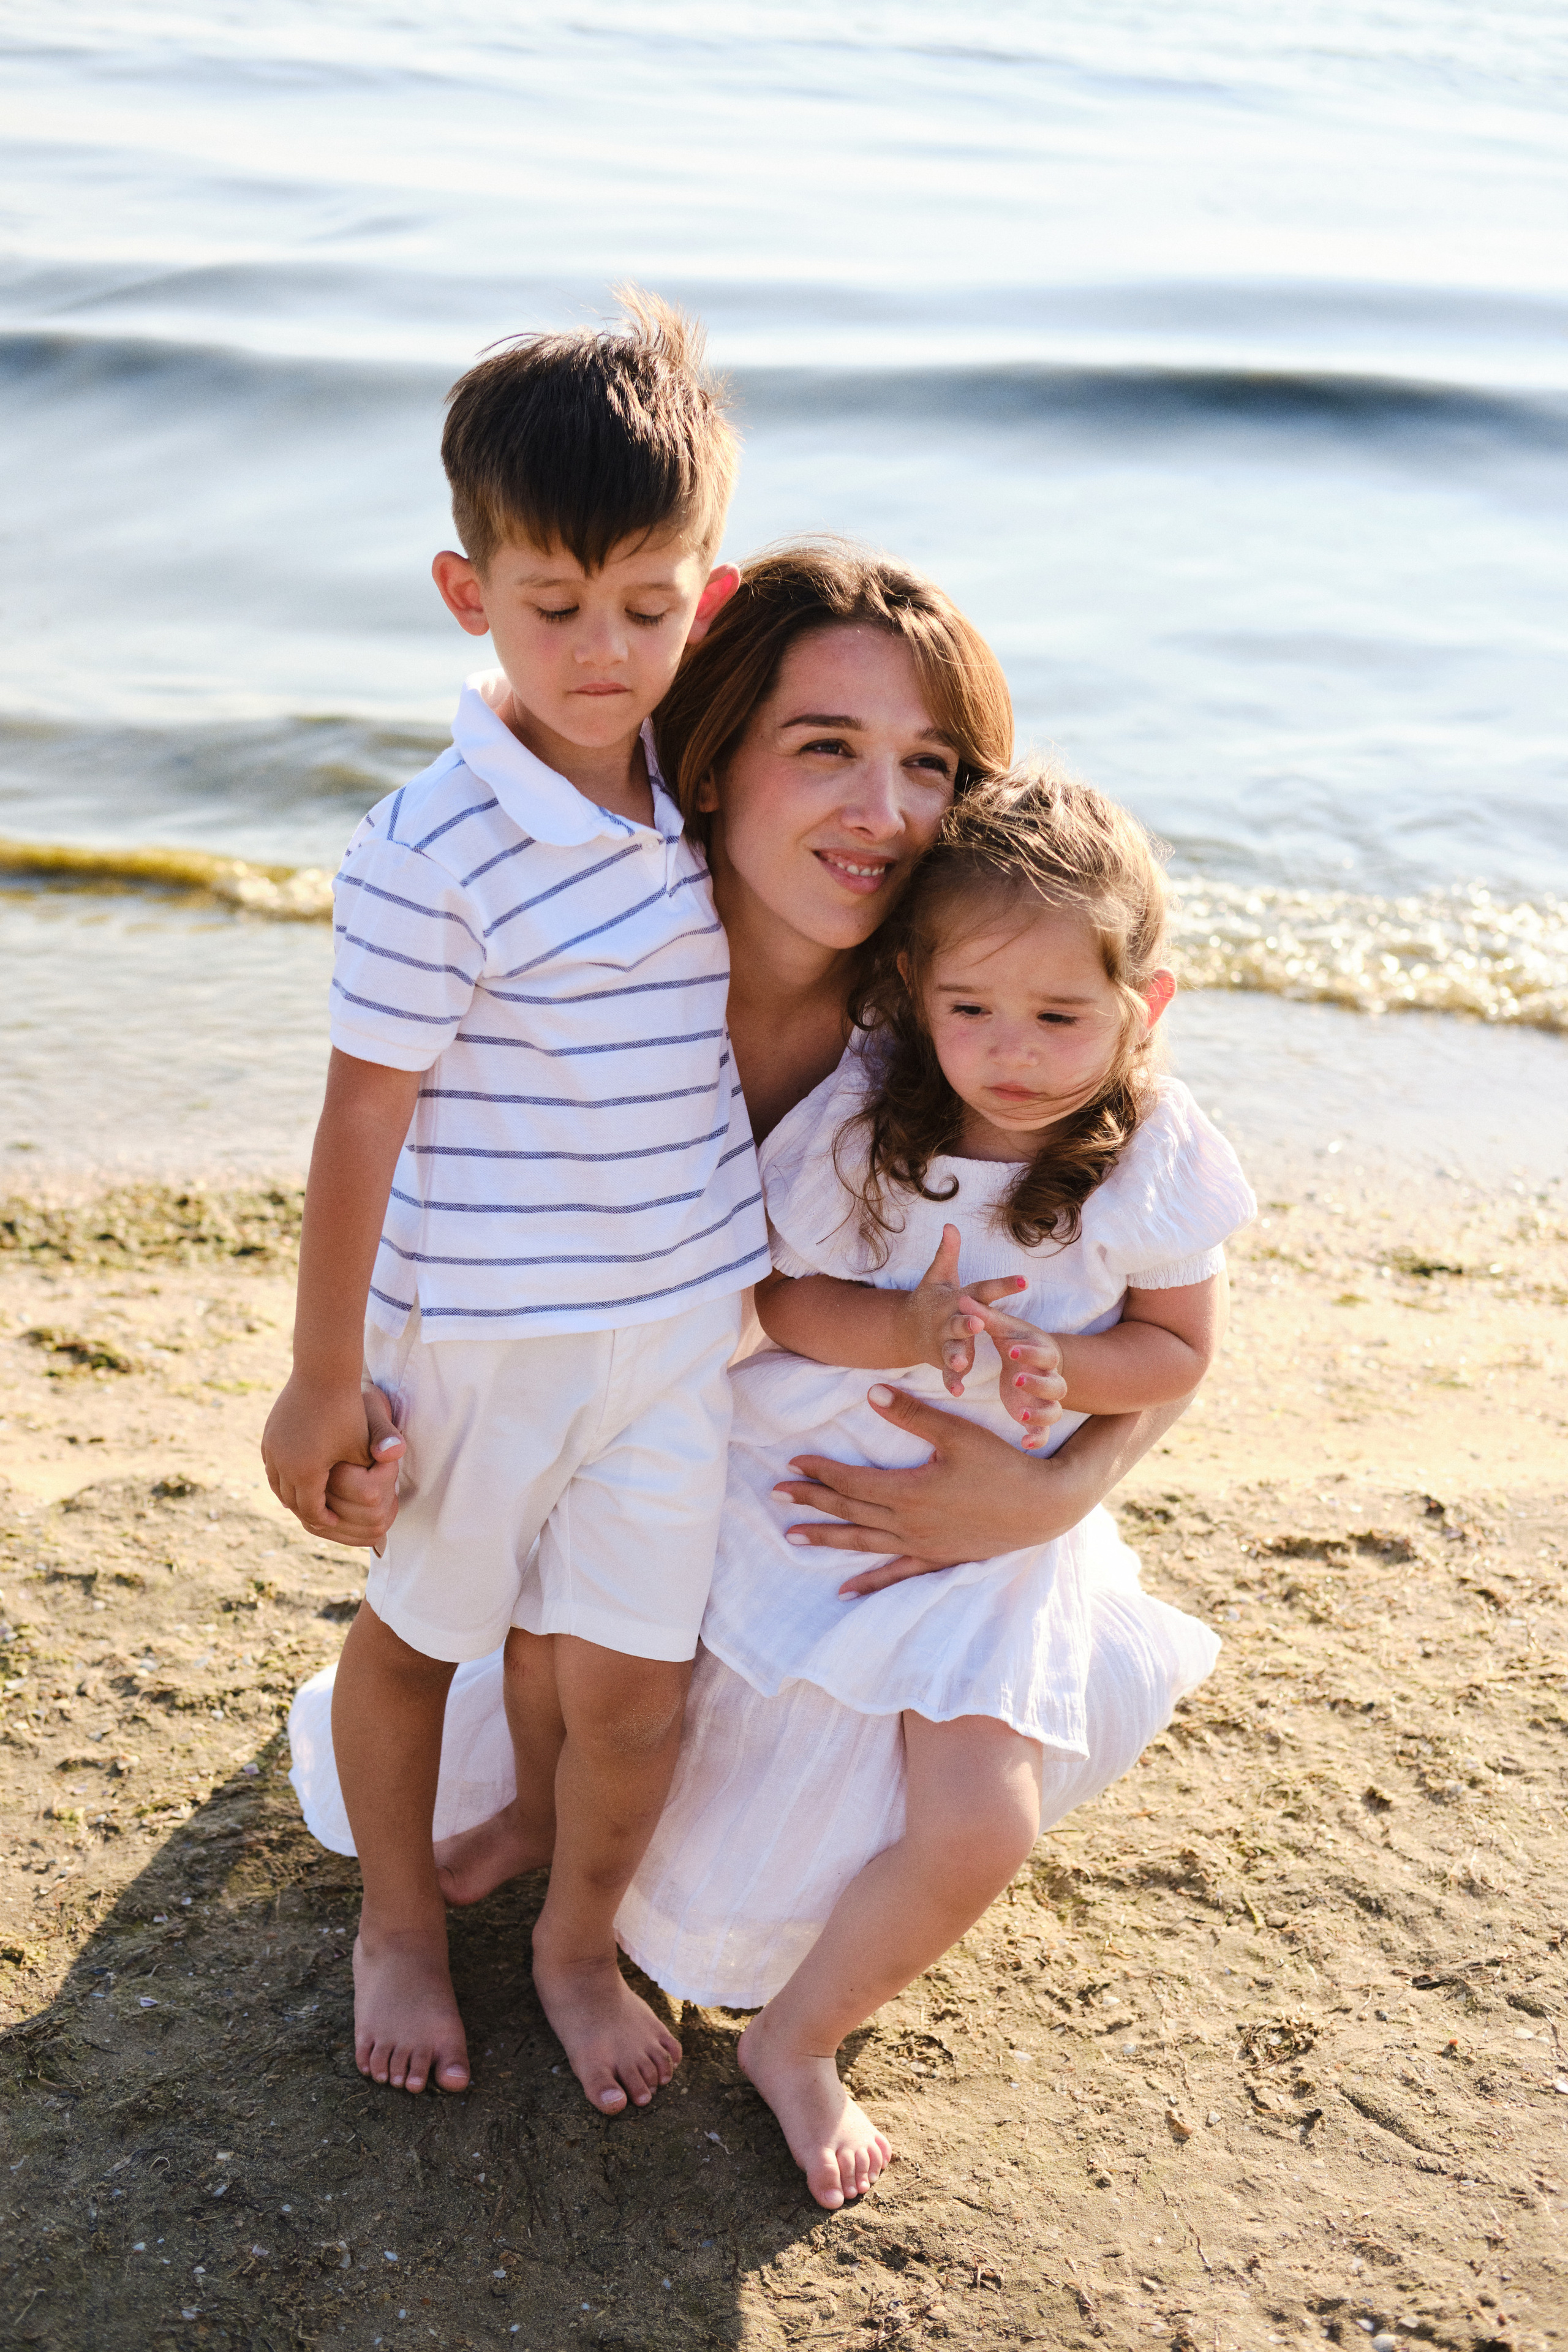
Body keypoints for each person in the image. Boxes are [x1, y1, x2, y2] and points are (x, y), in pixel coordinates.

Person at [288, 545, 1210, 2136]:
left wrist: (1054, 1498)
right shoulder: (603, 955)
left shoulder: (966, 1010)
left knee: (739, 1854)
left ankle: (659, 1935)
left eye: (931, 765)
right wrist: (345, 1382)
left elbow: (1161, 1308)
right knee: (468, 1749)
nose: (883, 811)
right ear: (714, 760)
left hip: (815, 1481)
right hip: (569, 1414)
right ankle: (459, 1890)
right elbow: (408, 1144)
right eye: (826, 747)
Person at [262, 291, 768, 2114]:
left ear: (705, 597)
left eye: (647, 608)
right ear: (468, 593)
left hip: (681, 1333)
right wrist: (323, 1376)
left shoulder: (695, 797)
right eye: (555, 608)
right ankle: (396, 1917)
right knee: (421, 1635)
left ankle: (572, 1937)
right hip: (482, 1336)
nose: (603, 650)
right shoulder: (431, 846)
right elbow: (359, 1117)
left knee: (635, 1685)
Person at [615, 766, 1254, 2206]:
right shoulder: (866, 1120)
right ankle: (594, 1906)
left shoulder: (1150, 1154)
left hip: (987, 1546)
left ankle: (798, 2039)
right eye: (970, 1011)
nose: (1011, 1056)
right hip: (804, 1472)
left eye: (1058, 1018)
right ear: (908, 991)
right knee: (649, 1711)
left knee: (979, 1822)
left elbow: (1175, 1350)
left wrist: (1059, 1372)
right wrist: (910, 1330)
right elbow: (780, 1304)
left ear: (1143, 1008)